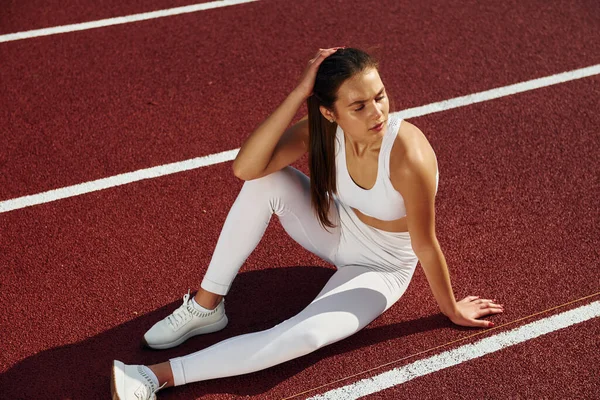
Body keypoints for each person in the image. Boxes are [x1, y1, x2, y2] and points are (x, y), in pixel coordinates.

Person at [111, 47, 504, 399]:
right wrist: (300, 92)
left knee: (307, 334)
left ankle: (151, 377)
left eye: (379, 97)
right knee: (265, 180)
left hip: (383, 266)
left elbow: (424, 244)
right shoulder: (324, 128)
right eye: (359, 106)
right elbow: (246, 168)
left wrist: (451, 309)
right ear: (329, 111)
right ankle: (206, 307)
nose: (377, 113)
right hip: (338, 228)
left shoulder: (408, 155)